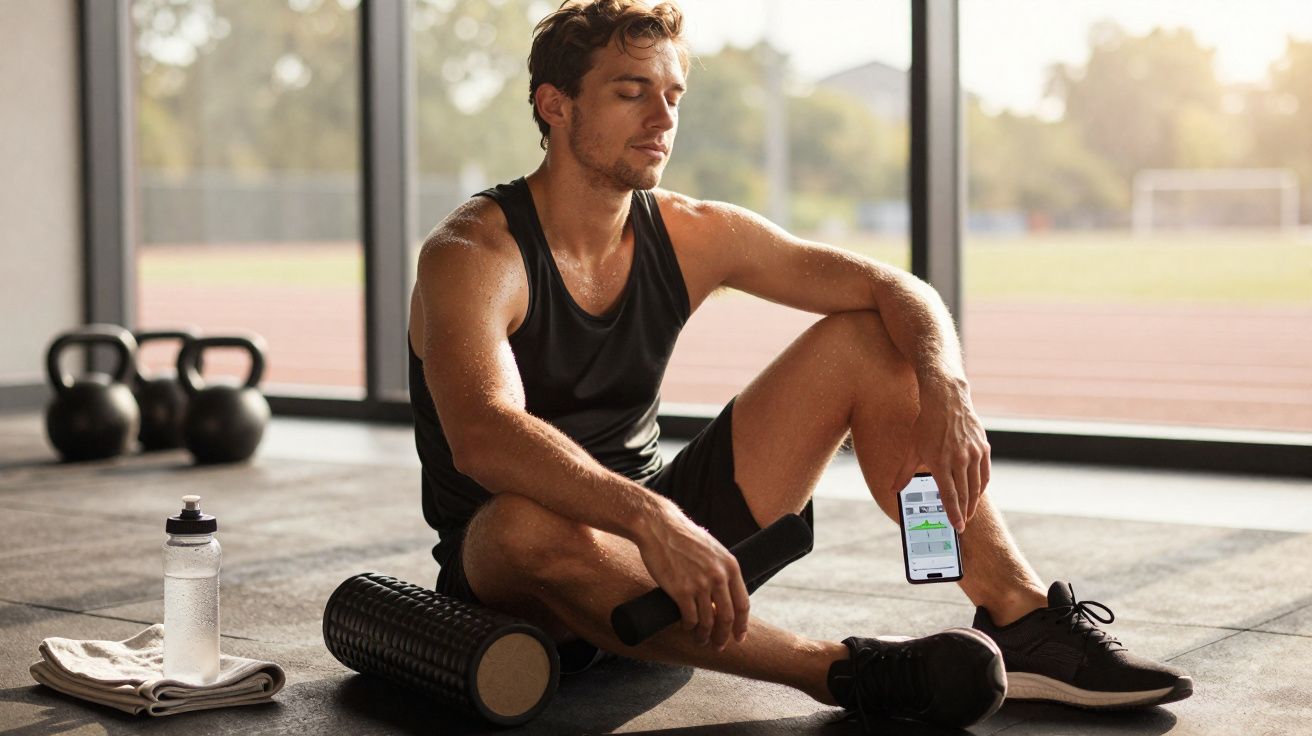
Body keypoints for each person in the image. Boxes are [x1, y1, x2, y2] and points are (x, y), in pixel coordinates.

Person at [407, 0, 1192, 729]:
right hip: (526, 587)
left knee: (870, 341)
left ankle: (1021, 617)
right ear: (555, 105)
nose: (662, 117)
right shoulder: (474, 253)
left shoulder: (689, 232)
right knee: (518, 524)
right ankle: (836, 670)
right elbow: (484, 433)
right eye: (630, 92)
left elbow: (894, 288)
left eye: (673, 95)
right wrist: (652, 520)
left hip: (678, 560)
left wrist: (946, 388)